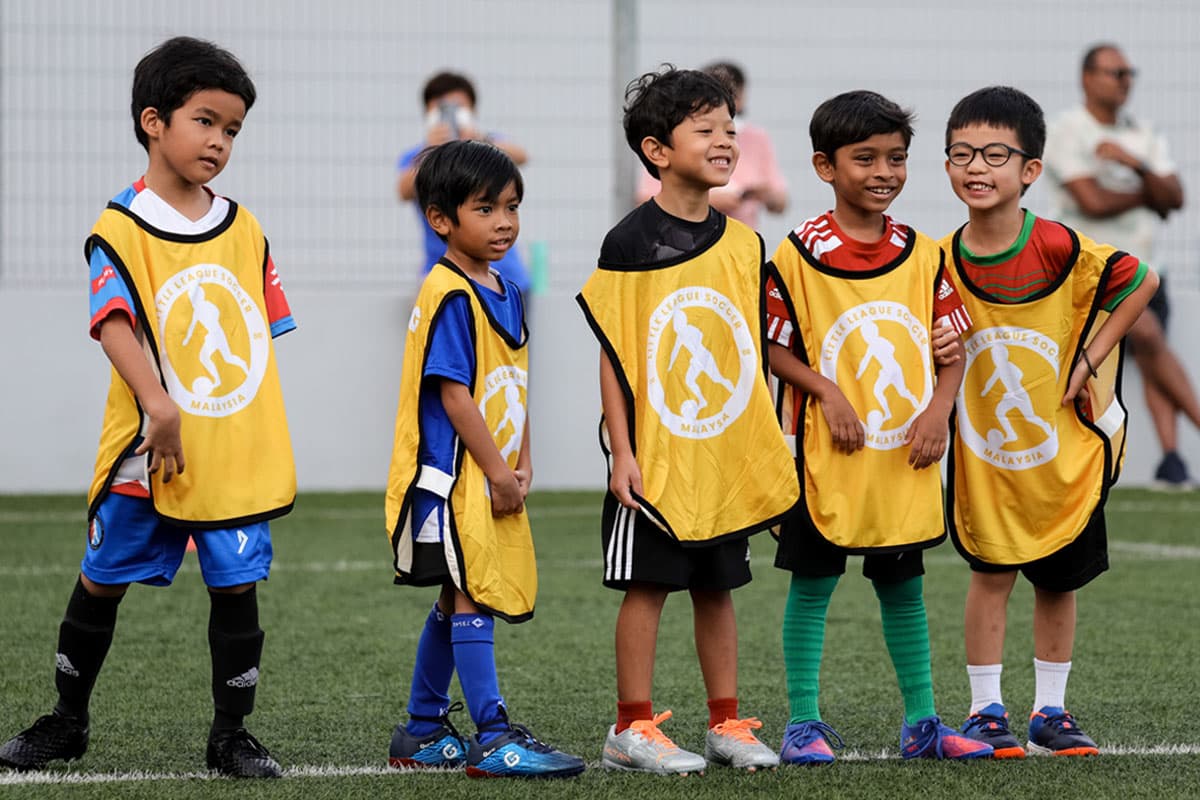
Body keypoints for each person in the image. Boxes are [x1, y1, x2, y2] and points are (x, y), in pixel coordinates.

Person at [0, 37, 296, 778]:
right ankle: (67, 720)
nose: (220, 141)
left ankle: (230, 735)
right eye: (206, 121)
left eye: (232, 130)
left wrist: (243, 431)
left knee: (235, 586)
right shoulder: (120, 226)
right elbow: (112, 322)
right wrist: (158, 404)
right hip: (146, 447)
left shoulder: (245, 227)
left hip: (223, 453)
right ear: (153, 121)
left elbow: (256, 335)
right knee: (102, 577)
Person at [577, 66, 800, 776]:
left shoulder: (744, 243)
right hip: (656, 456)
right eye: (705, 130)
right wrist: (621, 451)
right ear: (657, 150)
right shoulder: (629, 242)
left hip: (720, 455)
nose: (726, 140)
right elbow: (614, 354)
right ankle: (630, 729)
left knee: (717, 586)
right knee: (648, 586)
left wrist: (764, 446)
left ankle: (725, 723)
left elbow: (746, 354)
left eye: (730, 128)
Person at [764, 91, 991, 766]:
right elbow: (773, 346)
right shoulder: (796, 254)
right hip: (824, 456)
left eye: (896, 158)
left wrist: (939, 408)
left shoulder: (923, 253)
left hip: (902, 457)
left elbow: (953, 345)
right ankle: (802, 724)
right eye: (865, 159)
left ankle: (922, 723)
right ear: (824, 166)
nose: (884, 172)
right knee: (812, 584)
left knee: (904, 587)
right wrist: (826, 391)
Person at [941, 86, 1158, 758]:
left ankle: (1051, 712)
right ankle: (985, 711)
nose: (976, 167)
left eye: (994, 154)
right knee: (990, 574)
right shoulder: (938, 260)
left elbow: (1140, 280)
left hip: (1064, 452)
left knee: (1058, 580)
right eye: (961, 154)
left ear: (1030, 169)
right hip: (987, 456)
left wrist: (1090, 359)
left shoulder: (1060, 246)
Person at [383, 139, 584, 779]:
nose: (504, 222)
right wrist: (497, 470)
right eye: (486, 208)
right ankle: (493, 737)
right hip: (451, 478)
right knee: (472, 591)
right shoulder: (448, 291)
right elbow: (454, 393)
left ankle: (421, 728)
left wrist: (523, 456)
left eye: (512, 207)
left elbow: (513, 382)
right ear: (440, 219)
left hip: (488, 471)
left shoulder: (507, 289)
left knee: (456, 594)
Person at [1044, 43, 1195, 488]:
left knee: (1151, 356)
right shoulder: (1068, 130)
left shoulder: (1142, 134)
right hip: (1096, 272)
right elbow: (1091, 200)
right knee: (1148, 338)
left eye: (1130, 73)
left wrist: (1135, 165)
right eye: (1116, 73)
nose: (1125, 81)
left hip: (1148, 267)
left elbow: (1176, 197)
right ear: (1087, 78)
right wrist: (1150, 192)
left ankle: (1171, 461)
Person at [396, 71, 532, 293]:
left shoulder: (487, 147)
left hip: (505, 275)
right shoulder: (418, 155)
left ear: (473, 111)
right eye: (441, 109)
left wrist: (478, 141)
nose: (450, 116)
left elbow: (521, 155)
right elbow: (403, 190)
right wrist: (432, 152)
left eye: (459, 108)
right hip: (445, 275)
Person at [635, 61, 788, 231]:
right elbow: (645, 198)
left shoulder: (749, 242)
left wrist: (762, 194)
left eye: (731, 132)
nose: (723, 142)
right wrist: (710, 200)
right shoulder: (631, 241)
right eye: (705, 131)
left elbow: (780, 200)